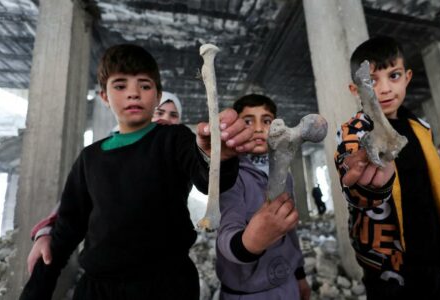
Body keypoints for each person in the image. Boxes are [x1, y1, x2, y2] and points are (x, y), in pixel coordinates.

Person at [20, 44, 255, 300]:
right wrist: (35, 291)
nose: (133, 93)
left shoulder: (173, 139)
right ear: (104, 97)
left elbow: (207, 179)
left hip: (167, 286)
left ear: (157, 96)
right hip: (99, 289)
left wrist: (218, 157)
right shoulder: (90, 158)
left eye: (144, 85)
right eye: (120, 86)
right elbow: (68, 226)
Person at [334, 36, 440, 300]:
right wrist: (366, 185)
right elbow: (356, 189)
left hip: (432, 251)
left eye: (394, 75)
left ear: (407, 77)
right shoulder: (353, 134)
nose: (386, 89)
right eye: (372, 81)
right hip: (388, 263)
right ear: (356, 90)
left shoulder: (420, 128)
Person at [26, 91, 184, 274]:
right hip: (110, 268)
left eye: (174, 115)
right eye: (159, 112)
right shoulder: (106, 154)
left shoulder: (178, 159)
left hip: (159, 270)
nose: (166, 119)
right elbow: (74, 203)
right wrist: (46, 233)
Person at [216, 94, 311, 300]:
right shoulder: (231, 175)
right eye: (248, 121)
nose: (259, 128)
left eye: (267, 121)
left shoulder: (285, 175)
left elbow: (290, 231)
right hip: (247, 293)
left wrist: (299, 276)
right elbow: (226, 230)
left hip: (287, 286)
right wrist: (249, 244)